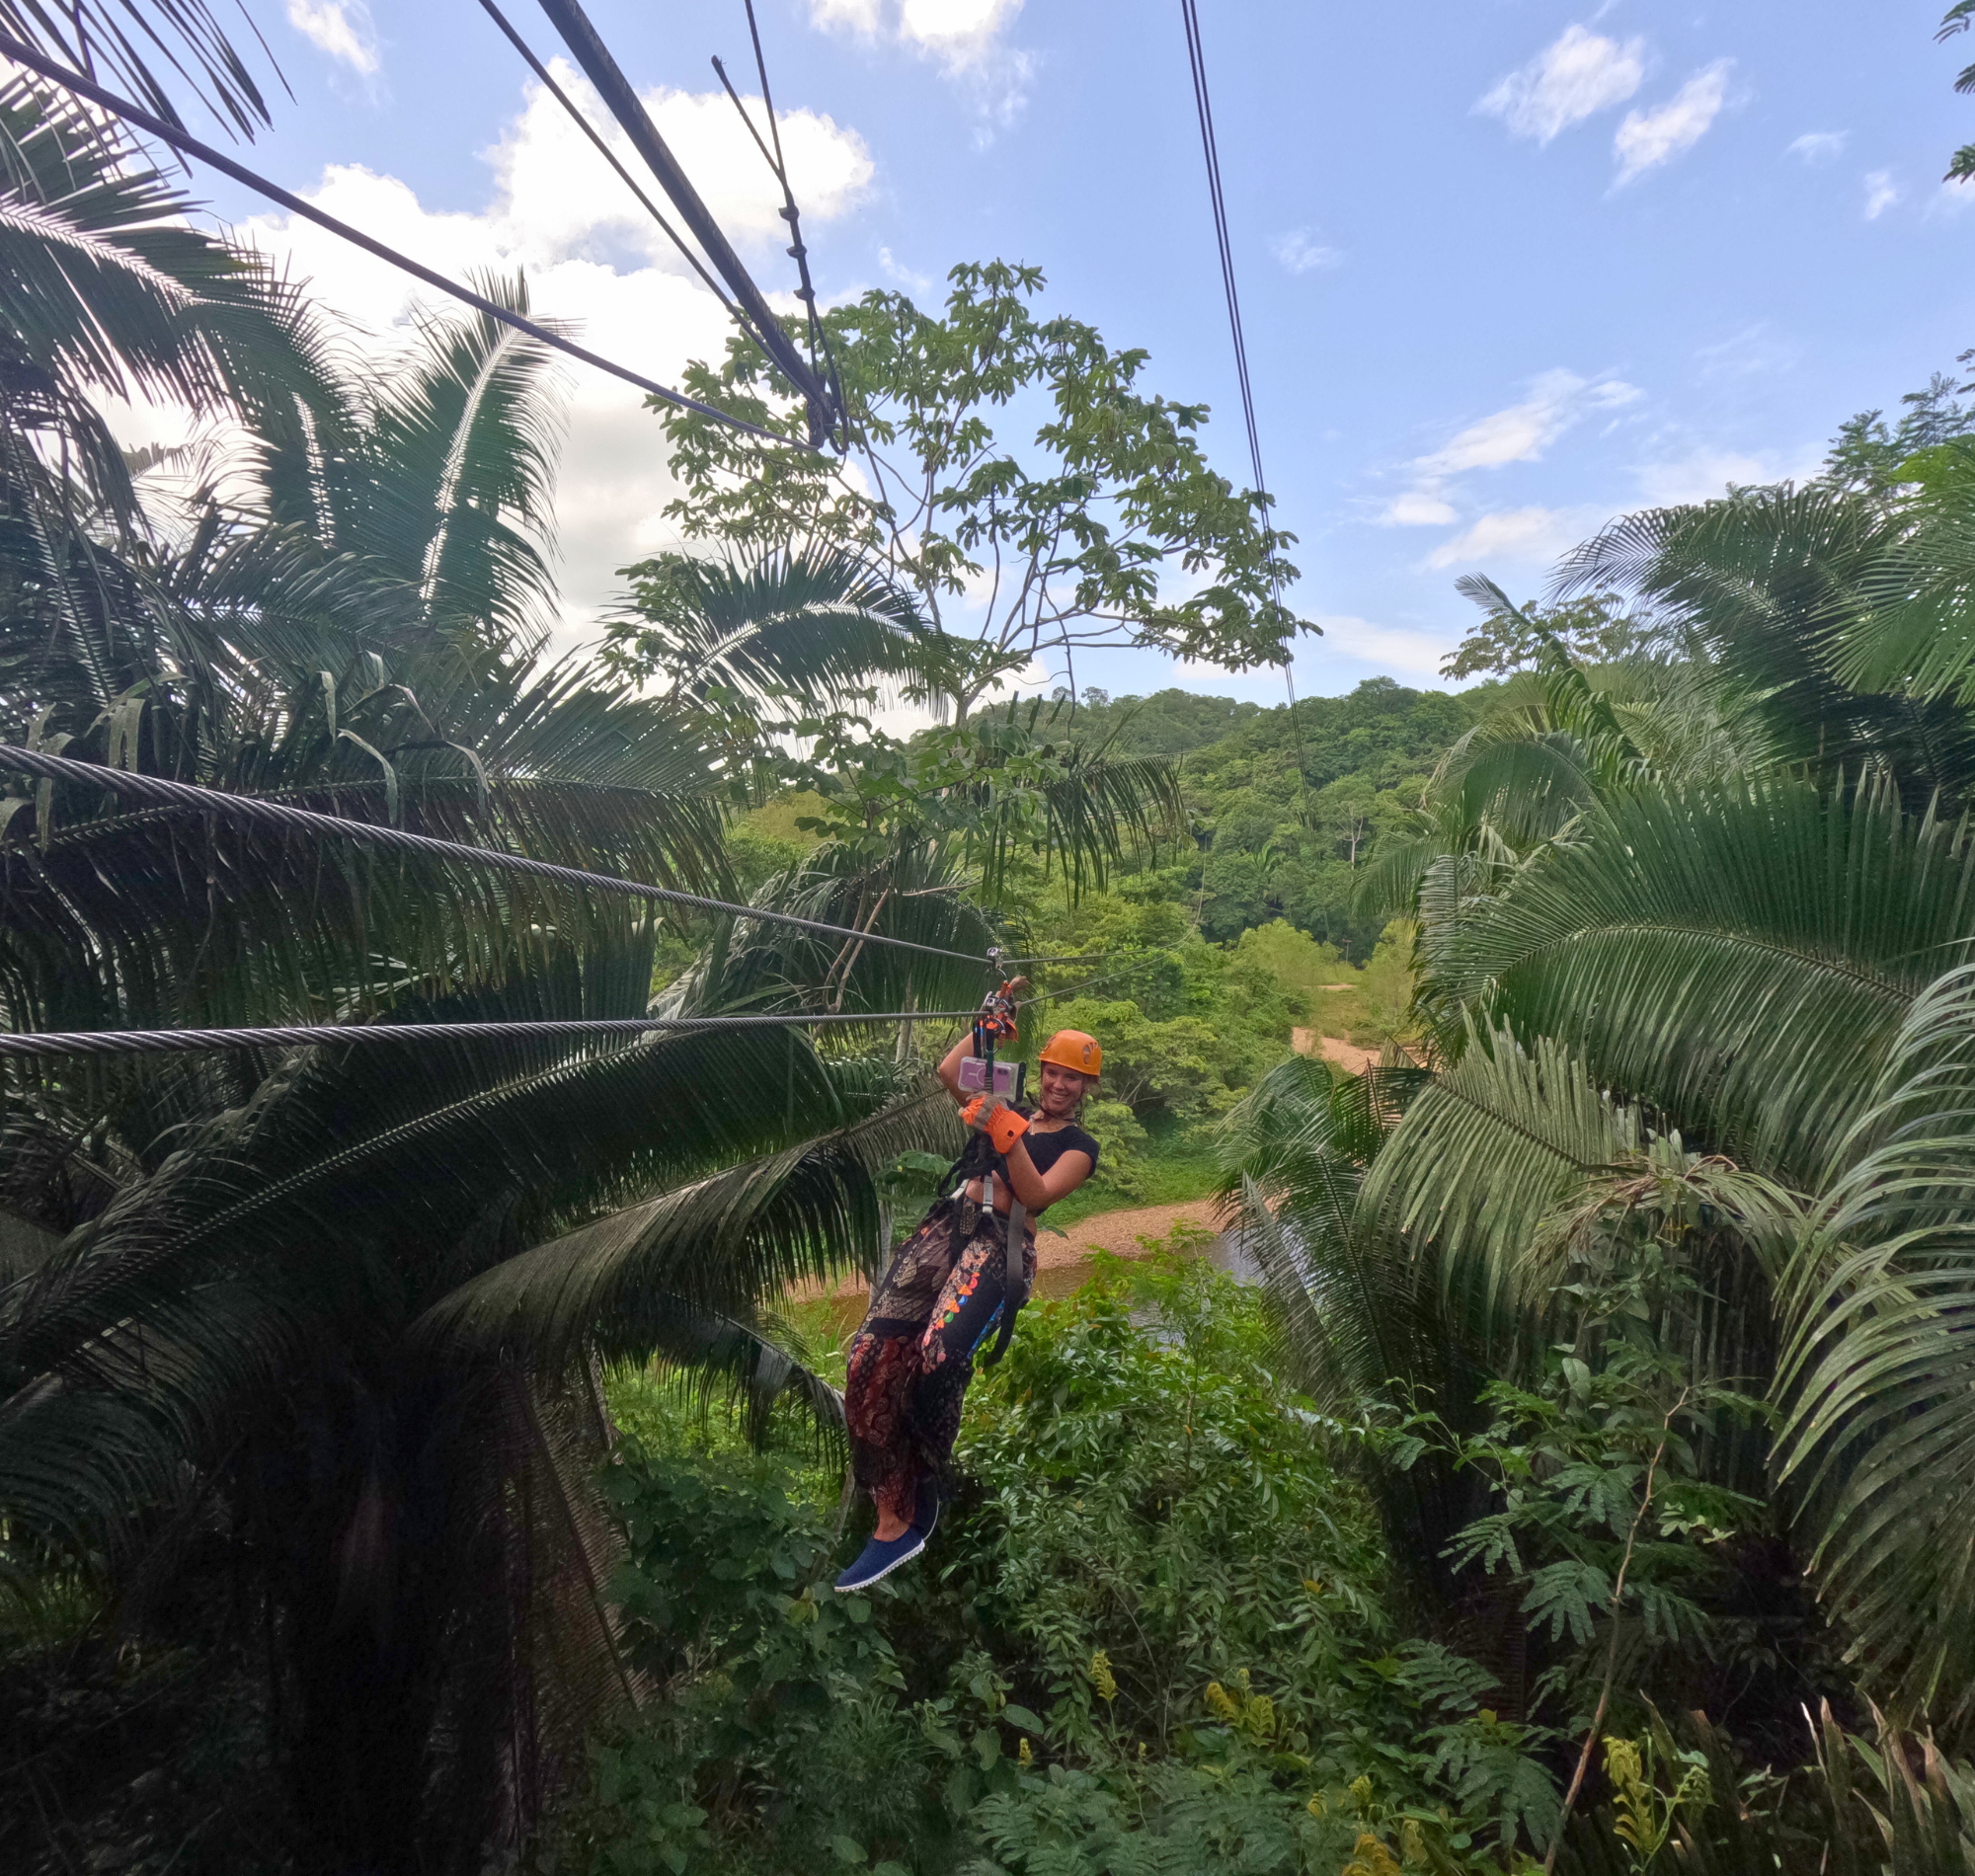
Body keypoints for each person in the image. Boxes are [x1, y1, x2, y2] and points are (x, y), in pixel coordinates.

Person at [833, 1002, 1104, 1593]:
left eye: (1072, 1077)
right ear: (1043, 1071)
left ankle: (925, 1475)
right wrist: (985, 1029)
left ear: (1087, 1086)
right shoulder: (1010, 1101)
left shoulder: (1080, 1146)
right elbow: (950, 1071)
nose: (1060, 1084)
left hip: (1000, 1245)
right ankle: (889, 1515)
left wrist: (1005, 1133)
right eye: (1054, 1072)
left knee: (938, 1355)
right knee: (867, 1360)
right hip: (950, 1224)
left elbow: (1032, 1195)